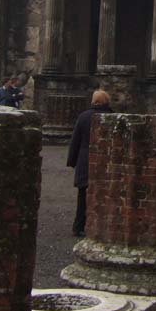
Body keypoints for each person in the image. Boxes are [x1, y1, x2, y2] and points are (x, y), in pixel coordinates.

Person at [66, 90, 110, 237]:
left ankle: (78, 226)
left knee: (83, 195)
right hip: (105, 159)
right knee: (104, 195)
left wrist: (72, 160)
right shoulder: (111, 117)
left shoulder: (84, 116)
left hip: (85, 159)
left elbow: (75, 140)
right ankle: (101, 225)